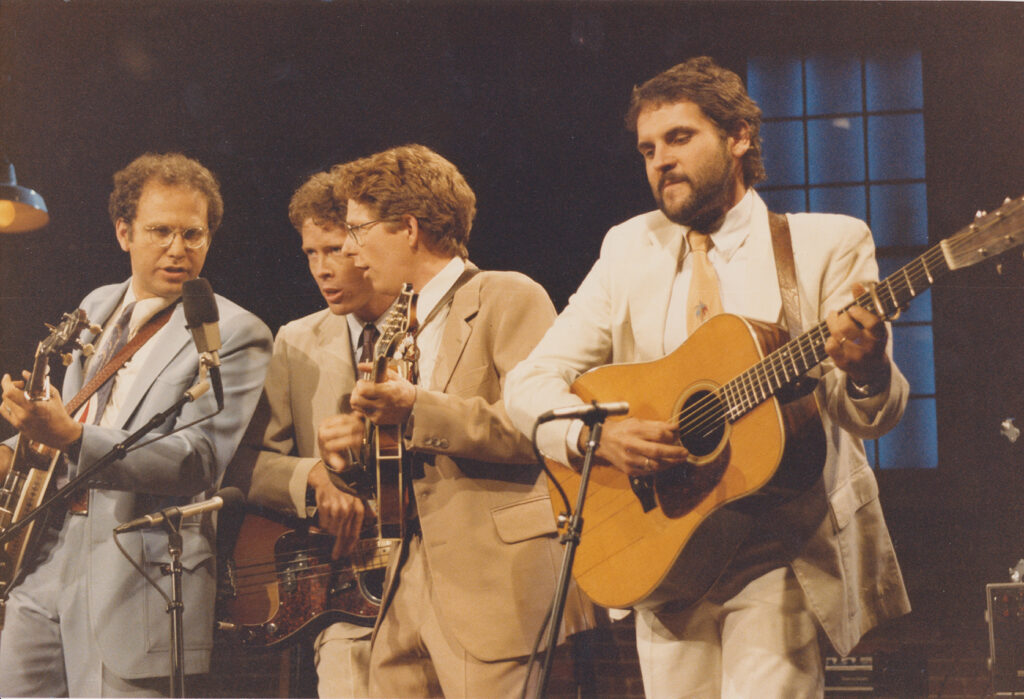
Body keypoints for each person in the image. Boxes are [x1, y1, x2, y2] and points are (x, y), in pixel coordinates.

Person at [504, 56, 911, 697]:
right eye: (647, 148)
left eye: (679, 138)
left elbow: (867, 415)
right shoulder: (627, 248)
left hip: (779, 545)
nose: (660, 160)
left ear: (739, 136)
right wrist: (595, 439)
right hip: (665, 547)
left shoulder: (825, 242)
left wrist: (866, 369)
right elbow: (528, 384)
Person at [322, 143, 594, 698]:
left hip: (493, 585)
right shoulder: (400, 319)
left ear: (409, 227)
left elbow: (537, 428)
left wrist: (416, 409)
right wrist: (362, 440)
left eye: (359, 229)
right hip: (403, 578)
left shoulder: (507, 296)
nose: (350, 250)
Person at [0, 152, 272, 697]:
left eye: (193, 234)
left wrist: (71, 438)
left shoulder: (237, 331)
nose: (179, 249)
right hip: (44, 555)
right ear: (124, 232)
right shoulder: (99, 303)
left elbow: (197, 460)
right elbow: (74, 409)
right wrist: (17, 444)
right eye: (160, 231)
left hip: (135, 573)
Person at [239, 170, 395, 697]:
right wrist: (313, 478)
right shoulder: (296, 340)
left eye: (334, 249)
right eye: (310, 253)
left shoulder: (429, 328)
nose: (322, 270)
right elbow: (246, 462)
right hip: (345, 598)